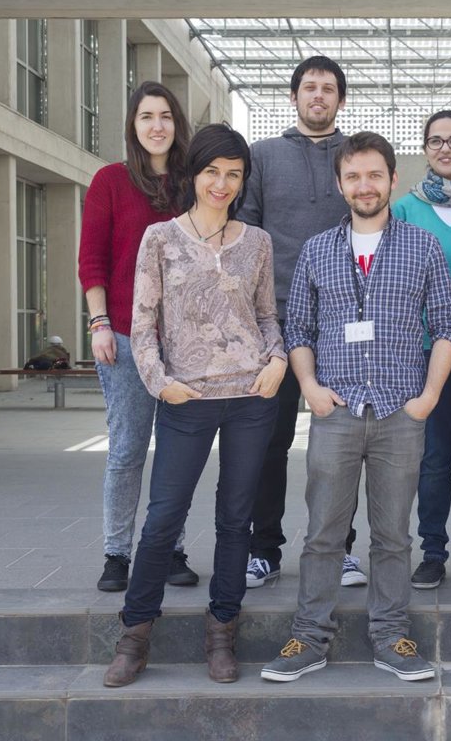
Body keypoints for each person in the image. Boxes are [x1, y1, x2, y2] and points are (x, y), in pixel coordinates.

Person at [260, 132, 451, 683]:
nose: (364, 185)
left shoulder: (421, 247)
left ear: (393, 179)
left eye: (374, 175)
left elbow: (448, 325)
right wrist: (310, 387)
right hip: (336, 411)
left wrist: (428, 397)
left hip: (401, 412)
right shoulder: (318, 250)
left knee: (394, 535)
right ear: (340, 184)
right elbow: (298, 329)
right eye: (353, 176)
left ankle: (391, 636)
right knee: (323, 532)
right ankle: (309, 637)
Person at [103, 124, 287, 687]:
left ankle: (222, 631)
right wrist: (160, 383)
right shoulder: (159, 238)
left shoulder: (257, 242)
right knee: (164, 516)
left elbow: (265, 315)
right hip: (186, 397)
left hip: (251, 397)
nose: (222, 184)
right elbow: (142, 323)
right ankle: (134, 635)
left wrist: (277, 359)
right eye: (212, 172)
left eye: (233, 174)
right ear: (193, 174)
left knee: (235, 518)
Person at [239, 56, 366, 590]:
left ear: (341, 99)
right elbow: (245, 232)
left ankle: (340, 550)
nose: (319, 95)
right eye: (309, 87)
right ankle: (263, 549)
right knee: (267, 443)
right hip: (275, 324)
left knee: (342, 446)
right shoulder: (263, 155)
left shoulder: (358, 156)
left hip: (341, 326)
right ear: (293, 97)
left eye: (328, 88)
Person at [79, 81, 199, 593]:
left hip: (185, 343)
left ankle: (169, 548)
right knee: (127, 449)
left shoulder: (194, 183)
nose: (157, 126)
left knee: (176, 453)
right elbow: (92, 258)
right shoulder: (110, 181)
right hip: (126, 337)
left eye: (165, 116)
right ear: (133, 125)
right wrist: (99, 322)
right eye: (147, 116)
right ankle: (116, 553)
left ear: (177, 124)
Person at [392, 110, 451, 590]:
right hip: (425, 353)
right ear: (425, 148)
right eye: (435, 141)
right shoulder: (404, 210)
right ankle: (432, 552)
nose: (445, 148)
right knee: (431, 460)